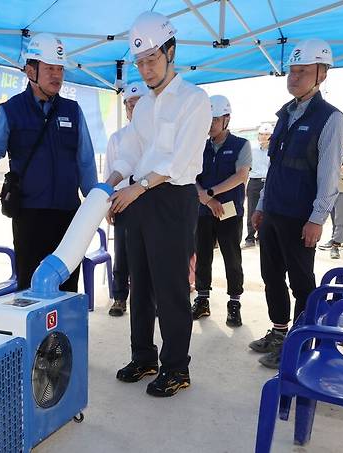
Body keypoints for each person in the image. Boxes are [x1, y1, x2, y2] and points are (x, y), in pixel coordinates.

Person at [105, 11, 211, 397]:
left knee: (170, 287)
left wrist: (138, 186)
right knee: (141, 282)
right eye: (140, 62)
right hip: (139, 198)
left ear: (171, 51)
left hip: (171, 198)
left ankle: (176, 367)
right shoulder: (145, 106)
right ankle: (144, 356)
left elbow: (181, 160)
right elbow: (131, 151)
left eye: (152, 59)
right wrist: (109, 184)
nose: (146, 69)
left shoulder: (194, 100)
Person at [0, 33, 97, 291]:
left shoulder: (72, 110)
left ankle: (63, 333)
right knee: (31, 287)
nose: (57, 76)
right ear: (31, 71)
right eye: (50, 69)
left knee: (67, 287)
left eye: (60, 69)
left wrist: (95, 204)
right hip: (29, 216)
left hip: (68, 215)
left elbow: (85, 161)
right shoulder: (9, 110)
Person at [249, 38, 343, 369]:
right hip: (274, 211)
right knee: (271, 276)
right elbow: (274, 167)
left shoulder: (330, 119)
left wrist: (318, 219)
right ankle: (279, 332)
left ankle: (300, 342)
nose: (294, 78)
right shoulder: (285, 115)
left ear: (322, 74)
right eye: (292, 71)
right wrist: (261, 205)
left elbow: (329, 175)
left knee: (301, 281)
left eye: (302, 72)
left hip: (301, 217)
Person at [193, 95, 251, 327]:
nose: (209, 125)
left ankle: (234, 302)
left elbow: (241, 176)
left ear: (226, 119)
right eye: (206, 120)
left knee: (232, 258)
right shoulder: (199, 145)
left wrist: (211, 194)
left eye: (214, 120)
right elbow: (192, 177)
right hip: (204, 211)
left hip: (229, 212)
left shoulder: (241, 145)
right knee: (203, 257)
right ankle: (202, 299)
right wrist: (207, 201)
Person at [104, 81, 147, 316]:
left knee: (150, 255)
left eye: (139, 104)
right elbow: (109, 172)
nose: (133, 109)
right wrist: (107, 205)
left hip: (149, 202)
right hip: (121, 203)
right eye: (130, 105)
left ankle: (150, 299)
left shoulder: (155, 135)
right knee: (122, 255)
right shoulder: (117, 138)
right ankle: (119, 298)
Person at [243, 123, 272, 248]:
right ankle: (250, 237)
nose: (264, 137)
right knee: (252, 209)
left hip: (269, 182)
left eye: (267, 135)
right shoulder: (252, 149)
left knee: (267, 211)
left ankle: (262, 236)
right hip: (254, 181)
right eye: (261, 134)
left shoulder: (274, 149)